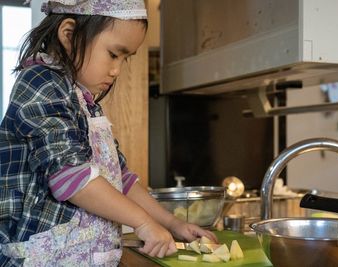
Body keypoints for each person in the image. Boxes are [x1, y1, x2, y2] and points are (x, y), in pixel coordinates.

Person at [0, 0, 217, 266]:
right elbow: (72, 177)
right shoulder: (41, 84)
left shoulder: (85, 101)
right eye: (114, 54)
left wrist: (172, 223)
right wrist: (142, 222)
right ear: (69, 35)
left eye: (125, 58)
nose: (117, 70)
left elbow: (120, 180)